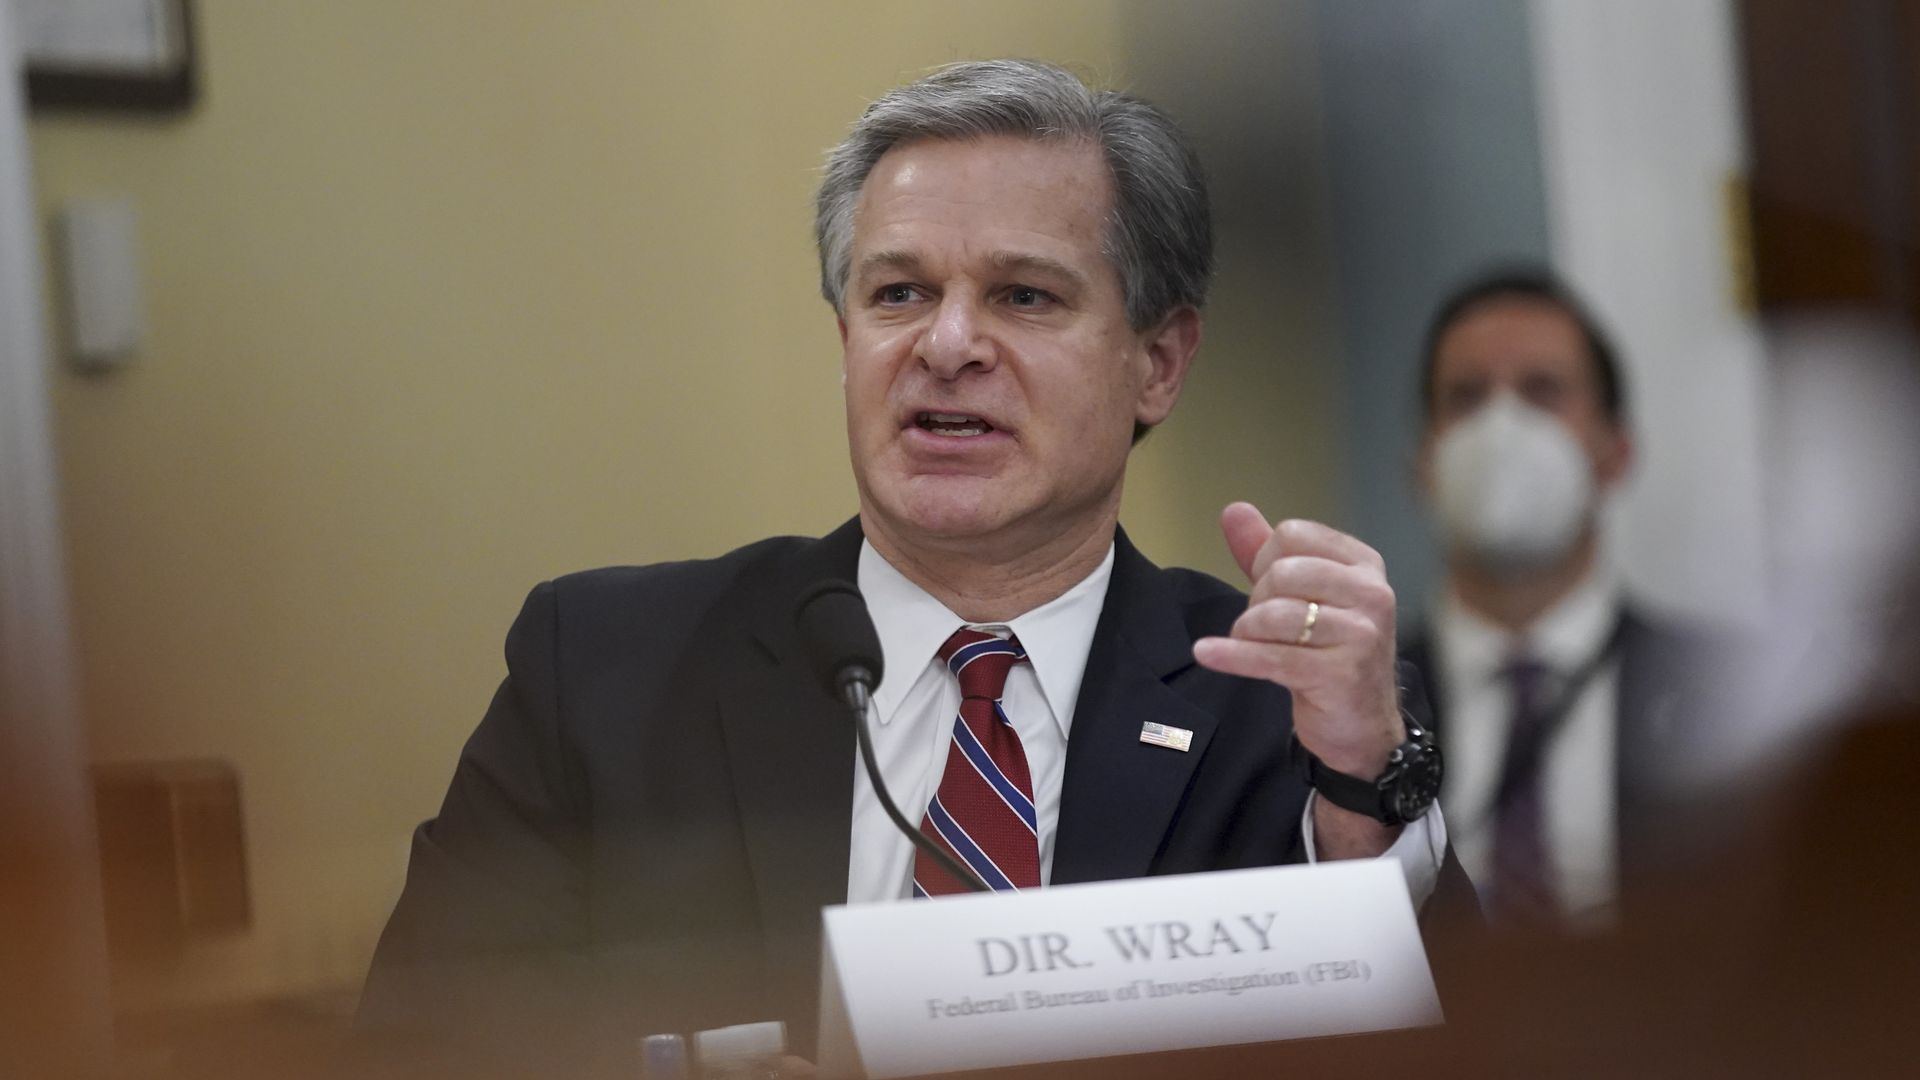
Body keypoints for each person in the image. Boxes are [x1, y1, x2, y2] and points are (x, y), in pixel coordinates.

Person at [357, 59, 1466, 1075]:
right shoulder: (603, 673)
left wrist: (1362, 789)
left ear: (1159, 363)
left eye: (1024, 296)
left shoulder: (1276, 707)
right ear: (847, 342)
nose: (946, 345)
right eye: (899, 293)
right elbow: (422, 1047)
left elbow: (1473, 1042)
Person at [1401, 268, 1705, 930]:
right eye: (1466, 397)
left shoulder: (1721, 694)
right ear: (1424, 461)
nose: (1501, 426)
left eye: (1542, 392)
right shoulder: (1366, 711)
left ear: (1615, 451)